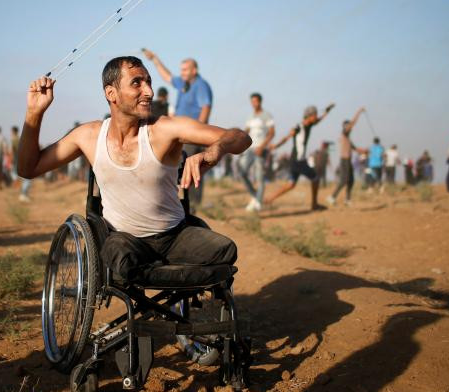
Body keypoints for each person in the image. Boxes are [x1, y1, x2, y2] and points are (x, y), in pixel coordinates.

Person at [17, 56, 249, 282]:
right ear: (111, 94)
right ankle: (152, 281)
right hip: (126, 241)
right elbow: (28, 169)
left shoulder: (164, 129)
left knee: (225, 250)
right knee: (118, 254)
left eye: (149, 82)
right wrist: (34, 113)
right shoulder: (88, 136)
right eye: (137, 83)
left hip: (175, 236)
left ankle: (156, 272)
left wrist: (215, 150)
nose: (148, 91)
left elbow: (240, 137)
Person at [142, 48, 212, 210]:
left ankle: (193, 205)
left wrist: (199, 132)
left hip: (192, 134)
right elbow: (167, 77)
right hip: (181, 134)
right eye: (181, 70)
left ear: (194, 70)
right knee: (180, 167)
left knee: (192, 167)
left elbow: (205, 107)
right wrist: (155, 59)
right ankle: (184, 202)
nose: (182, 72)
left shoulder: (200, 85)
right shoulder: (184, 84)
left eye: (185, 70)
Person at [266, 104, 334, 211]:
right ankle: (314, 205)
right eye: (314, 115)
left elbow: (319, 120)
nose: (316, 117)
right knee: (315, 179)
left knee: (291, 184)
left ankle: (269, 199)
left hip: (296, 161)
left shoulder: (309, 125)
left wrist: (327, 111)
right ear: (309, 116)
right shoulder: (299, 127)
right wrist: (276, 145)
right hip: (298, 161)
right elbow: (287, 137)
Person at [237, 93, 275, 212]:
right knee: (242, 172)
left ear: (260, 102)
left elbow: (272, 133)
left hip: (260, 149)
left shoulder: (267, 116)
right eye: (252, 101)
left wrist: (263, 146)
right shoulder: (250, 117)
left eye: (256, 101)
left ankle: (258, 203)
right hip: (250, 149)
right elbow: (245, 132)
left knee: (259, 177)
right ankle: (255, 196)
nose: (254, 103)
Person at [327, 107, 365, 206]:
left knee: (351, 180)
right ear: (345, 127)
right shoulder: (344, 134)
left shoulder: (347, 139)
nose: (351, 128)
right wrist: (359, 111)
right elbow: (352, 123)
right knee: (344, 180)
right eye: (348, 126)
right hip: (344, 160)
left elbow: (356, 149)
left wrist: (366, 151)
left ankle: (347, 200)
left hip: (348, 160)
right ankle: (332, 197)